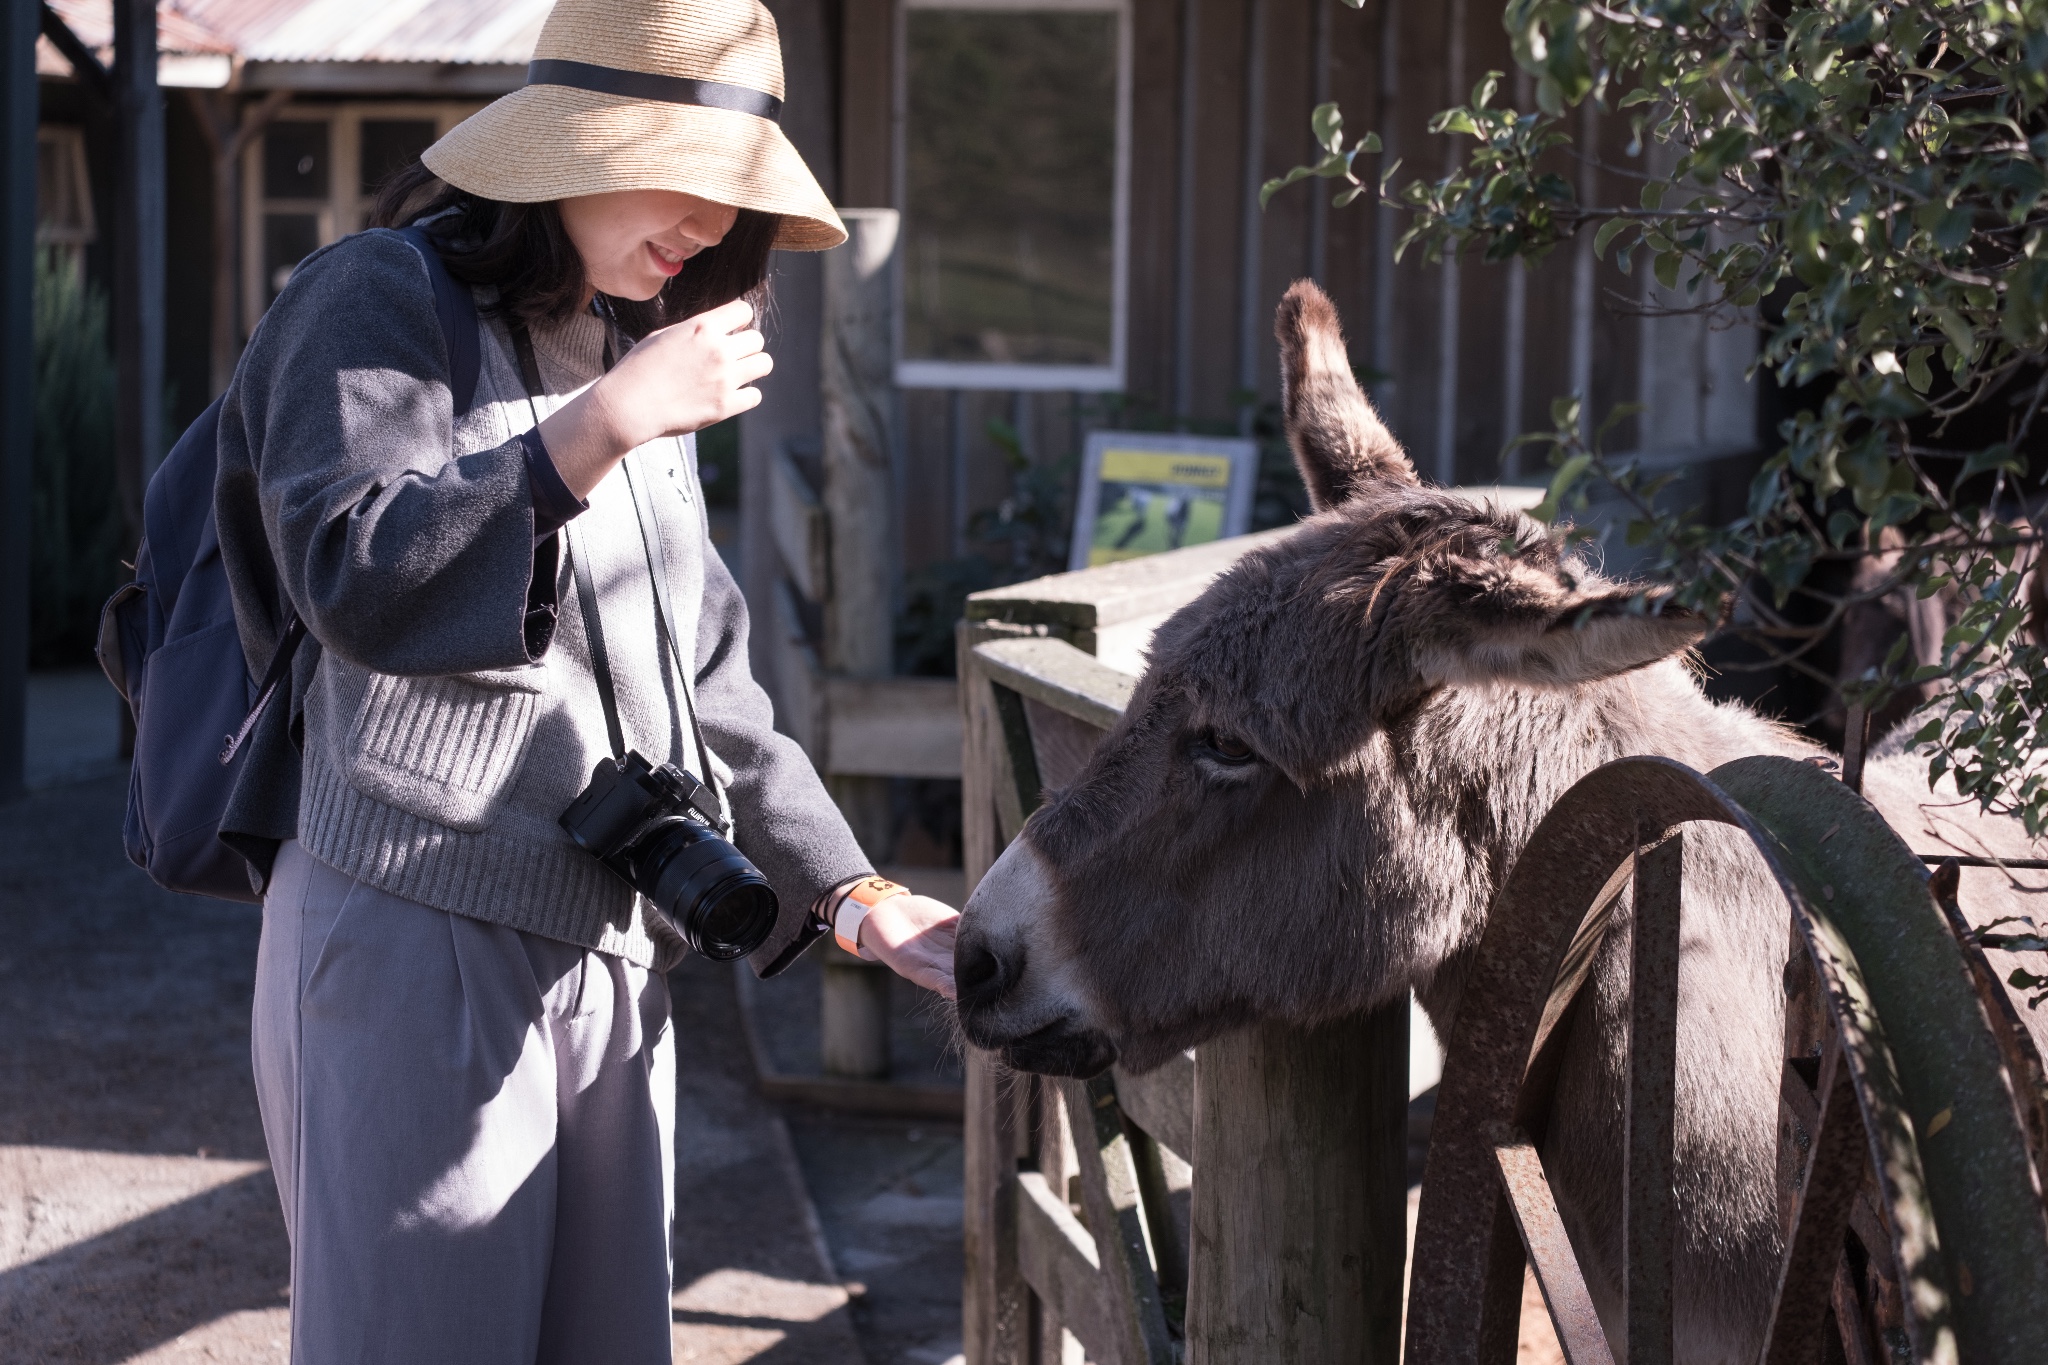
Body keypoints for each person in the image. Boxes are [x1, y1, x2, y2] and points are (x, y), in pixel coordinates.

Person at [210, 0, 960, 1358]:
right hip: (411, 933)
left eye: (736, 198)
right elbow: (353, 573)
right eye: (683, 173)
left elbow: (710, 679)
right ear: (570, 147)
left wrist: (857, 895)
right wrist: (597, 430)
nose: (707, 227)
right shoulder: (376, 294)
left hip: (617, 959)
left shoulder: (632, 339)